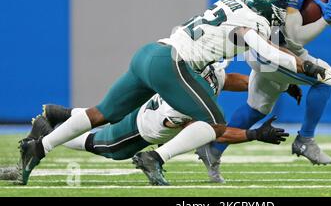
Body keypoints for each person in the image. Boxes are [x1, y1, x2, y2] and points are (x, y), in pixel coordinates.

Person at [18, 0, 331, 185]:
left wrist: (280, 78)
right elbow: (265, 49)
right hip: (171, 66)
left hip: (150, 53)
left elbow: (242, 65)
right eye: (275, 20)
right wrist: (308, 66)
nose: (274, 26)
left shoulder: (234, 3)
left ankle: (42, 144)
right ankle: (156, 159)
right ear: (269, 14)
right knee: (214, 123)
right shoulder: (253, 23)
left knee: (101, 112)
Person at [197, 0, 331, 183]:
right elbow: (295, 39)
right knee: (324, 80)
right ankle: (305, 140)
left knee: (258, 108)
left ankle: (213, 149)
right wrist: (326, 19)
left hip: (280, 49)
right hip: (269, 49)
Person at [6, 63, 291, 185]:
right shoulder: (184, 99)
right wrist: (253, 133)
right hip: (142, 129)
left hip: (147, 112)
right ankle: (50, 132)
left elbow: (228, 80)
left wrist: (265, 84)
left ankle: (64, 117)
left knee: (105, 116)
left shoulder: (206, 70)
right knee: (102, 145)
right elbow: (211, 130)